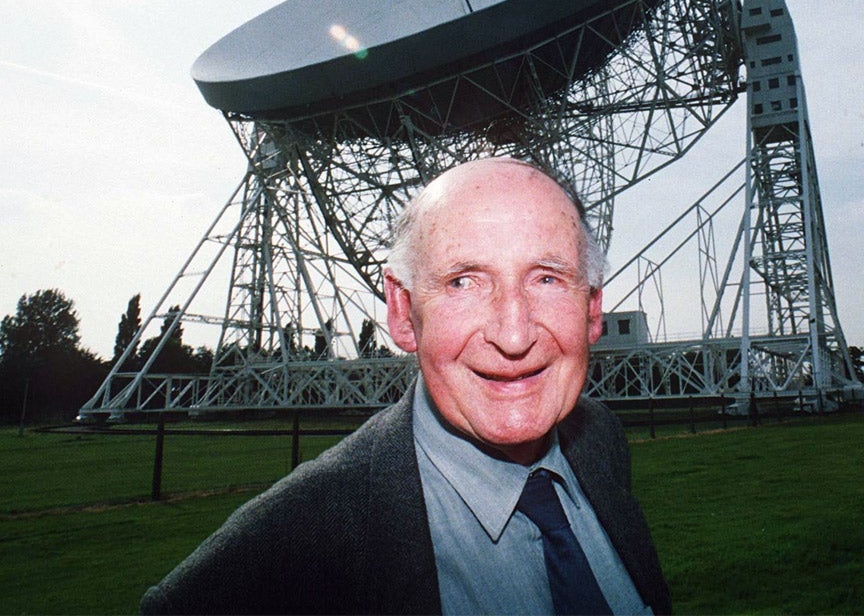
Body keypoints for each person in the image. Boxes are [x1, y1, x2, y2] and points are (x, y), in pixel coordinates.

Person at [141, 157, 671, 615]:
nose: (514, 335)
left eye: (547, 278)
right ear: (401, 312)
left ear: (593, 309)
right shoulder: (279, 558)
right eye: (463, 281)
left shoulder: (599, 442)